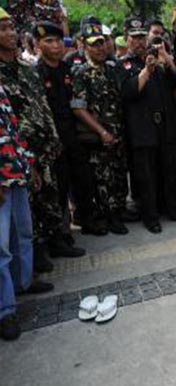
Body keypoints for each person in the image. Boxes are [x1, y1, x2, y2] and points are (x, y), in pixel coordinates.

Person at [0, 11, 79, 274]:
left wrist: (53, 140)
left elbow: (43, 107)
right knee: (28, 209)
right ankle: (32, 258)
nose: (10, 33)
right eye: (3, 29)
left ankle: (54, 242)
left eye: (11, 27)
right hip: (18, 154)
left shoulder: (26, 69)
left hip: (46, 147)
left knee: (51, 197)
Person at [34, 21, 100, 241]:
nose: (56, 46)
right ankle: (60, 234)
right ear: (38, 45)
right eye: (49, 41)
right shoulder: (36, 73)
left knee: (83, 179)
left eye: (58, 40)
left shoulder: (67, 70)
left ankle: (86, 219)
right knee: (58, 188)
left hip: (73, 134)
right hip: (51, 139)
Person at [119, 16, 176, 233]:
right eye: (134, 37)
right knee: (146, 177)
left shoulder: (158, 59)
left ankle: (173, 209)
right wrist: (147, 70)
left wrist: (166, 57)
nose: (139, 42)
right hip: (142, 130)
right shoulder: (124, 64)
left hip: (164, 127)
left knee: (168, 170)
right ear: (126, 39)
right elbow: (129, 92)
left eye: (141, 37)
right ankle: (151, 217)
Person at [71, 20, 130, 236]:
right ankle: (109, 216)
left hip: (118, 133)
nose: (100, 48)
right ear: (84, 46)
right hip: (99, 137)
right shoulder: (81, 73)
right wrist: (101, 131)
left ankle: (119, 212)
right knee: (103, 179)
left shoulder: (112, 69)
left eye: (103, 43)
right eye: (94, 44)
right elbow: (78, 108)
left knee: (119, 175)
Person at [0, 82, 37, 341]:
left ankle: (22, 284)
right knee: (0, 248)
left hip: (17, 175)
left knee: (22, 233)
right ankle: (5, 310)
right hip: (1, 181)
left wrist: (29, 165)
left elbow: (13, 131)